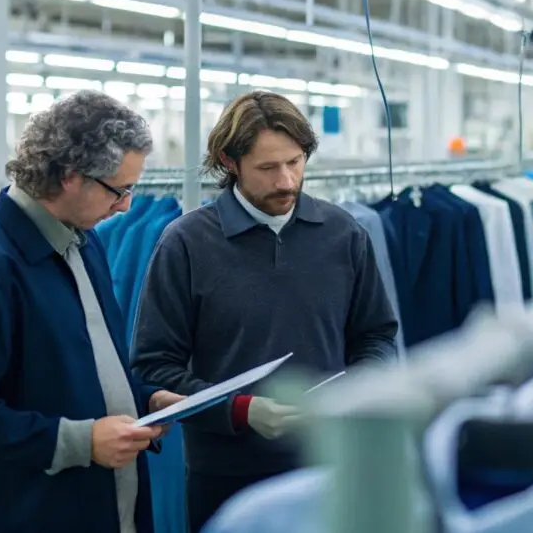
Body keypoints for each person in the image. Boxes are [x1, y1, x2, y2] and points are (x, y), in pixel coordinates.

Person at [0, 90, 184, 533]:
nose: (126, 205)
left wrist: (146, 399)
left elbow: (76, 374)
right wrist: (80, 442)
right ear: (70, 176)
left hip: (111, 509)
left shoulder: (82, 243)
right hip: (38, 513)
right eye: (119, 190)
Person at [133, 90, 399, 532]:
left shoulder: (344, 234)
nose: (286, 181)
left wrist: (353, 391)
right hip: (227, 478)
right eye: (268, 168)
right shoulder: (186, 243)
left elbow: (377, 337)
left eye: (295, 162)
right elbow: (153, 367)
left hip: (329, 468)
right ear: (230, 161)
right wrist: (239, 410)